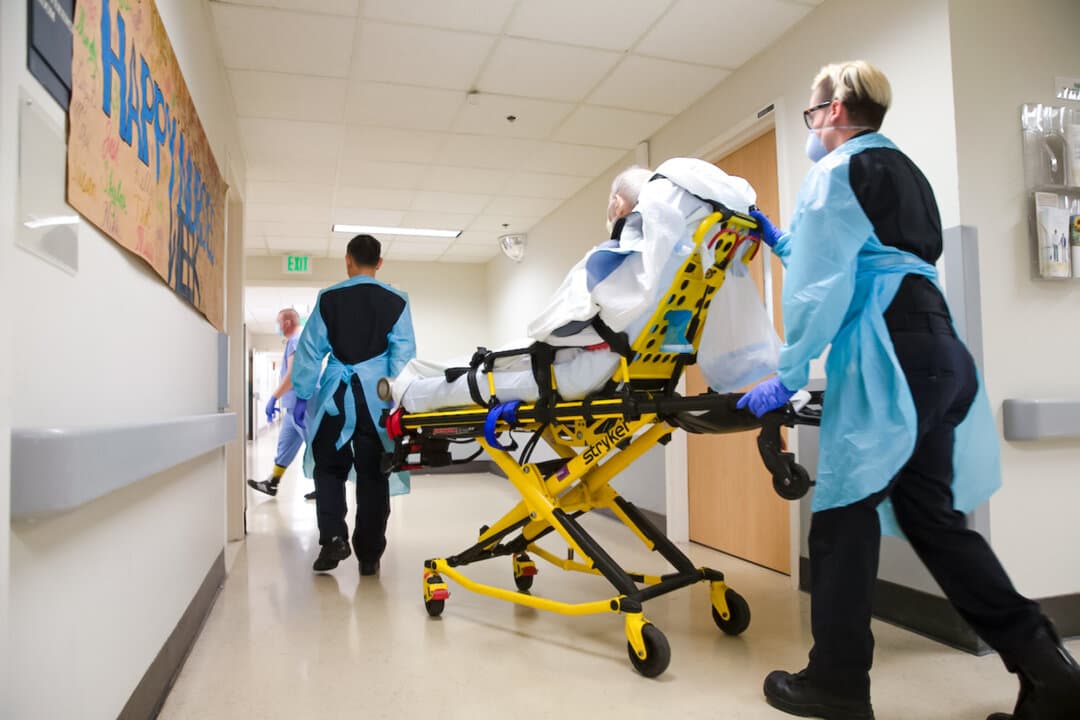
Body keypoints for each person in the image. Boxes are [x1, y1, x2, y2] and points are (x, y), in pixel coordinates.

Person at [738, 60, 1080, 720]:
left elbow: (819, 288)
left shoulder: (834, 171)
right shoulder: (901, 168)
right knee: (935, 522)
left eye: (811, 113)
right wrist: (784, 243)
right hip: (939, 349)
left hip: (890, 352)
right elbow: (864, 260)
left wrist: (786, 372)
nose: (812, 126)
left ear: (835, 109)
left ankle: (836, 682)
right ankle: (1053, 674)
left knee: (841, 516)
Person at [291, 234, 416, 576]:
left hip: (336, 399)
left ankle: (333, 537)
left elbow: (309, 350)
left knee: (328, 469)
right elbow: (403, 361)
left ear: (348, 260)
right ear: (379, 263)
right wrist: (399, 405)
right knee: (374, 476)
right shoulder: (397, 301)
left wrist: (302, 393)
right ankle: (370, 555)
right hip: (377, 403)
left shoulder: (329, 299)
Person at [247, 308, 315, 500]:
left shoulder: (296, 341)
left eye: (278, 322)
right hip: (292, 406)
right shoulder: (292, 343)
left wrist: (273, 397)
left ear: (286, 323)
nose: (277, 326)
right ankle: (272, 483)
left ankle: (326, 487)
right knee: (285, 445)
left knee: (316, 446)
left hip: (304, 404)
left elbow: (293, 375)